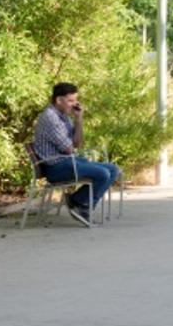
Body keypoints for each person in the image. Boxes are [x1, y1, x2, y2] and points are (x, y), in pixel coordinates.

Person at [32, 82, 122, 227]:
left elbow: (77, 143)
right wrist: (72, 147)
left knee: (113, 169)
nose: (75, 105)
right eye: (71, 100)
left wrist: (78, 119)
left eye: (75, 100)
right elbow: (69, 148)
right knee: (103, 173)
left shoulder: (64, 116)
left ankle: (78, 201)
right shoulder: (50, 117)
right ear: (58, 100)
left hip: (68, 161)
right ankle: (82, 206)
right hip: (55, 167)